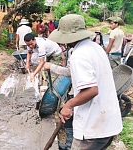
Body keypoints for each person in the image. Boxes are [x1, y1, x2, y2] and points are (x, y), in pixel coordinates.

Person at [49, 14, 122, 149]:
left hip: (92, 128)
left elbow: (91, 90)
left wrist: (68, 105)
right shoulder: (95, 48)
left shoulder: (79, 55)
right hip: (107, 122)